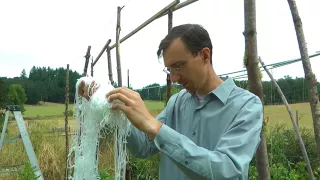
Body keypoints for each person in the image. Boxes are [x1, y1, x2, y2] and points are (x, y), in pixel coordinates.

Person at [78, 24, 263, 180]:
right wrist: (115, 108)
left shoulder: (246, 106)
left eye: (179, 66)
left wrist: (155, 127)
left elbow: (228, 171)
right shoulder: (177, 102)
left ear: (205, 56)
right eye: (169, 70)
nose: (174, 78)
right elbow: (143, 147)